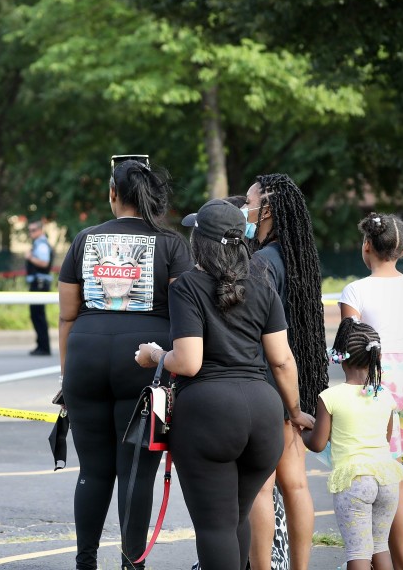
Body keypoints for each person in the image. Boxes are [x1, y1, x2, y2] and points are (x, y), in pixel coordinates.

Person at [136, 199, 315, 570]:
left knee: (215, 526)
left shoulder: (188, 286)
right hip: (264, 414)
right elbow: (282, 359)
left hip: (209, 414)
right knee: (237, 515)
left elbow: (188, 361)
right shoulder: (262, 285)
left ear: (200, 241)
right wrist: (295, 411)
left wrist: (154, 355)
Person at [58, 156, 192, 570]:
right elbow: (184, 311)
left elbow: (67, 314)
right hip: (144, 359)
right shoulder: (171, 244)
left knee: (93, 470)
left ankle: (85, 562)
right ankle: (132, 564)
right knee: (137, 471)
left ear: (113, 194)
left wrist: (68, 377)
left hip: (86, 353)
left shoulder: (83, 240)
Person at [240, 174, 330, 570]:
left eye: (249, 202)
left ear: (268, 209)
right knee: (295, 484)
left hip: (268, 382)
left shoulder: (261, 263)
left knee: (261, 488)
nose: (245, 209)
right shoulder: (299, 258)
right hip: (297, 384)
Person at [338, 213, 403, 570]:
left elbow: (352, 349)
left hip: (378, 380)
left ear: (367, 245)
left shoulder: (356, 290)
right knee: (393, 473)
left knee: (380, 480)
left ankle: (376, 560)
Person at [302, 318, 403, 570]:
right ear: (375, 358)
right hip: (387, 479)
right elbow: (386, 438)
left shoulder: (330, 397)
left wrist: (302, 430)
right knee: (380, 546)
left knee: (358, 551)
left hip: (354, 481)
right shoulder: (385, 396)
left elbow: (317, 443)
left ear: (342, 358)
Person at [25, 219, 53, 356]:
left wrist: (30, 258)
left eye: (33, 230)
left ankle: (43, 346)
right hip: (39, 282)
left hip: (40, 283)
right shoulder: (38, 243)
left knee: (38, 315)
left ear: (40, 230)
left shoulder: (41, 245)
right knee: (36, 314)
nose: (31, 233)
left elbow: (44, 263)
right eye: (29, 230)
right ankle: (41, 345)